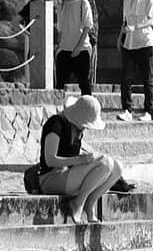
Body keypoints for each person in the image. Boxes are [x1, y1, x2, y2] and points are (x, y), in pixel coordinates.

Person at [26, 94, 125, 224]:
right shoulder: (55, 124)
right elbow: (50, 160)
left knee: (117, 167)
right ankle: (78, 202)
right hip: (50, 178)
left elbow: (71, 155)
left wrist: (86, 158)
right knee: (105, 163)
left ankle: (90, 203)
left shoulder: (76, 130)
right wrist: (79, 160)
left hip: (67, 175)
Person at [118, 0, 153, 119]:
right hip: (129, 43)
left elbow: (150, 21)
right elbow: (125, 21)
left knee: (147, 79)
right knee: (125, 78)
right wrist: (120, 38)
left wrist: (136, 27)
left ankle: (148, 111)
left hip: (144, 43)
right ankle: (127, 110)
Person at [52, 0, 95, 96]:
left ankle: (87, 106)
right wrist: (58, 47)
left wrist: (78, 47)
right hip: (64, 49)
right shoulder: (62, 5)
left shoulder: (83, 3)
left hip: (81, 49)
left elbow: (87, 26)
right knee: (59, 84)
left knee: (84, 83)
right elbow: (60, 29)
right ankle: (60, 107)